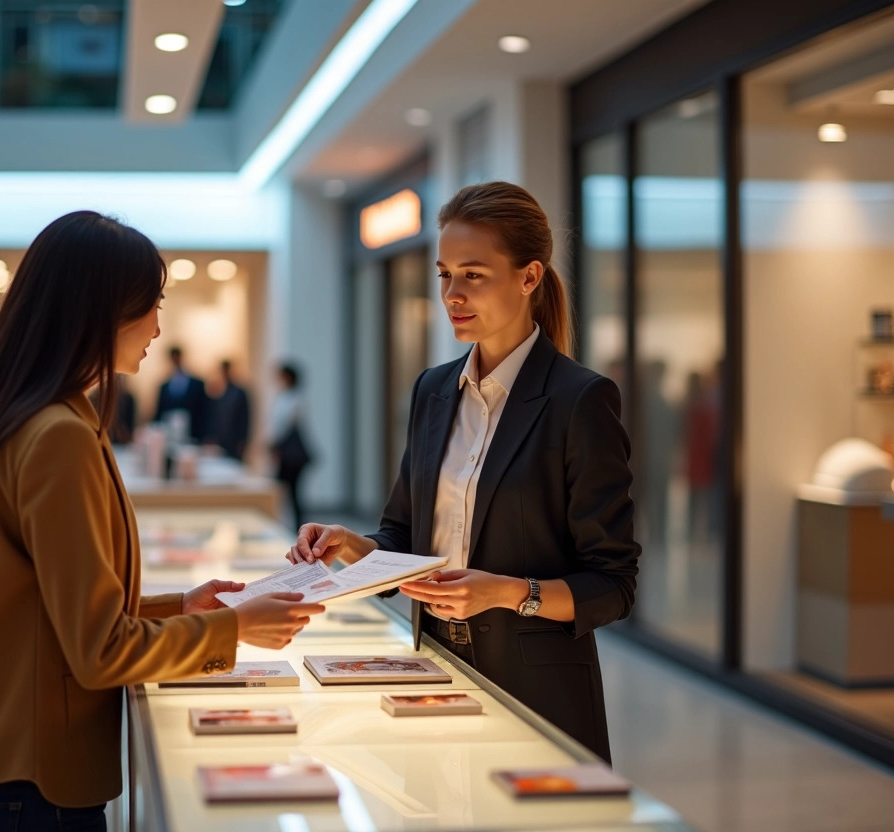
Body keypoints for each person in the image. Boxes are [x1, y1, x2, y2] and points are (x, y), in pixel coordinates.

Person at [0, 211, 323, 829]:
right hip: (35, 777)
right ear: (102, 311)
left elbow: (44, 608)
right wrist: (233, 629)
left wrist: (178, 606)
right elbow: (99, 651)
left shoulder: (14, 412)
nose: (159, 326)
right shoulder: (56, 435)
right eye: (153, 305)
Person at [286, 182, 639, 762]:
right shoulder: (433, 389)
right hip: (435, 671)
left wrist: (503, 593)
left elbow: (614, 586)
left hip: (539, 697)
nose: (453, 294)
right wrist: (351, 545)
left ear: (529, 278)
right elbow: (403, 537)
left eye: (473, 274)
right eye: (444, 274)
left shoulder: (580, 400)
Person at [269, 363, 313, 528]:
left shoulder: (294, 399)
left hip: (291, 455)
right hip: (287, 453)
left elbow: (285, 426)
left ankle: (298, 528)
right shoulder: (284, 398)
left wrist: (274, 444)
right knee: (285, 492)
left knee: (292, 492)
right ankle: (288, 524)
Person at [154, 346, 207, 442]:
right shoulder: (165, 385)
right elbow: (160, 409)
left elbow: (203, 410)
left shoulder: (196, 383)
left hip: (192, 432)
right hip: (169, 431)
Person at [206, 359, 251, 460]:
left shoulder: (239, 392)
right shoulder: (217, 390)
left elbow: (244, 418)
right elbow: (212, 415)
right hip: (219, 439)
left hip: (234, 439)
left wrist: (243, 440)